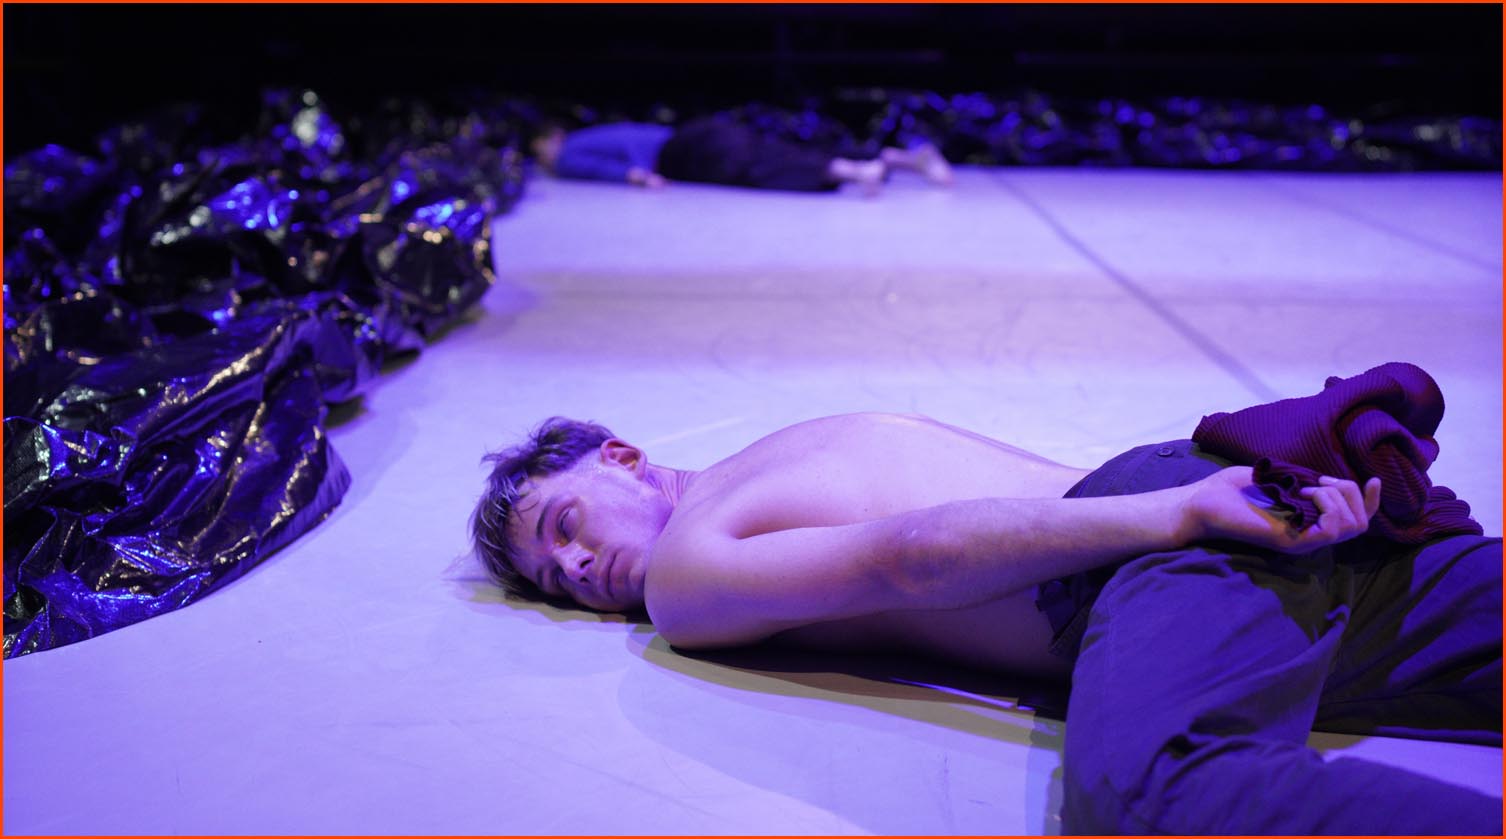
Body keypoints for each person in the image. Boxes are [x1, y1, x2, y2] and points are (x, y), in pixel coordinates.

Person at [469, 364, 1501, 835]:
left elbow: (910, 556)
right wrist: (1189, 499)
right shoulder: (786, 450)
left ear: (622, 456)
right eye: (555, 580)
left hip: (1157, 543)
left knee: (1153, 795)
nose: (580, 568)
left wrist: (1180, 514)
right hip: (1224, 506)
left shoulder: (687, 571)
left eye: (565, 525)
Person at [528, 116, 954, 194]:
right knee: (780, 149)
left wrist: (641, 178)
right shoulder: (590, 133)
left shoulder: (567, 154)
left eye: (539, 150)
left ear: (551, 139)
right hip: (697, 133)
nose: (542, 159)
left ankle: (856, 171)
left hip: (680, 154)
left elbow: (599, 170)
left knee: (764, 167)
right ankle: (900, 158)